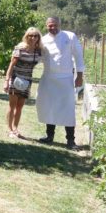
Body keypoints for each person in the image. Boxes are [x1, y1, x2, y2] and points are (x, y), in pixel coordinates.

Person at [36, 16, 84, 149]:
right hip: (49, 78)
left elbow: (78, 55)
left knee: (68, 109)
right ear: (46, 26)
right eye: (50, 25)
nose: (53, 28)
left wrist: (79, 75)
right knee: (49, 107)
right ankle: (49, 136)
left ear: (59, 24)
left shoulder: (70, 36)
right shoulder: (43, 40)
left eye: (55, 25)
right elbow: (38, 58)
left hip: (66, 78)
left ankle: (70, 140)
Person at [3, 27, 42, 138]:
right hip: (15, 79)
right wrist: (7, 80)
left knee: (20, 107)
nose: (33, 38)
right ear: (27, 36)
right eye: (30, 35)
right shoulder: (20, 48)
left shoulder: (38, 51)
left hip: (27, 81)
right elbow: (11, 65)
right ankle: (10, 129)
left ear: (38, 37)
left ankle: (15, 128)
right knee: (12, 105)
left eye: (35, 36)